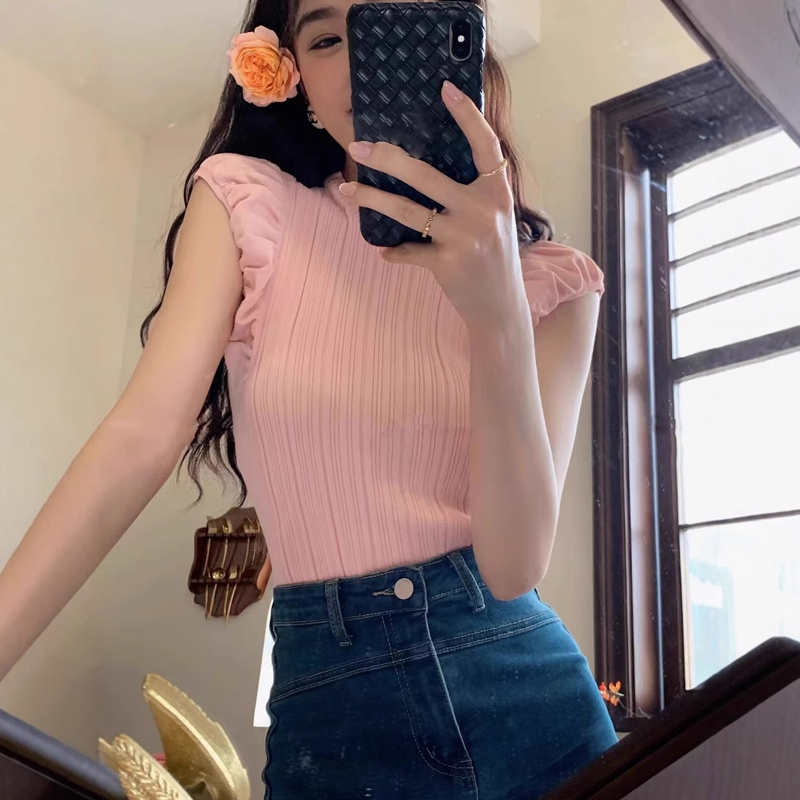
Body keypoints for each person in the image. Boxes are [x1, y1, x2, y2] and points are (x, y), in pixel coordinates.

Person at [0, 0, 618, 797]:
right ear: (291, 75)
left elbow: (513, 567)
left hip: (531, 699)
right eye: (327, 37)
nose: (362, 60)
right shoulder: (246, 202)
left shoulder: (556, 285)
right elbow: (140, 439)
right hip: (330, 707)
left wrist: (496, 305)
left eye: (391, 23)